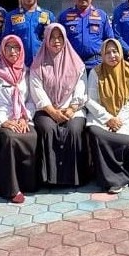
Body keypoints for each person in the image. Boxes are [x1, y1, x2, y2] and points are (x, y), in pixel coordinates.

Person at [0, 35, 39, 203]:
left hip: (20, 118)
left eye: (17, 48)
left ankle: (27, 183)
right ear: (3, 50)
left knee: (32, 135)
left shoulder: (25, 71)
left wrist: (24, 118)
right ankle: (9, 188)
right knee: (9, 138)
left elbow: (31, 100)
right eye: (9, 47)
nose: (13, 51)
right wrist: (4, 121)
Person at [85, 39, 129, 194]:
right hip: (101, 117)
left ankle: (121, 176)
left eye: (115, 51)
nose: (112, 55)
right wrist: (108, 118)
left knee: (124, 140)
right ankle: (109, 179)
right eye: (108, 52)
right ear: (102, 55)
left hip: (125, 116)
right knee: (97, 134)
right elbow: (90, 100)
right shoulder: (96, 72)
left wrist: (119, 118)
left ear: (120, 52)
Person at [30, 24, 88, 186]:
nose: (56, 41)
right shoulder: (37, 64)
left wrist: (72, 107)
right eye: (52, 37)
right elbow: (37, 90)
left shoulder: (76, 63)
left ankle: (74, 177)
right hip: (46, 109)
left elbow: (81, 87)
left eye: (60, 37)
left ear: (65, 39)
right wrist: (52, 112)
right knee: (48, 129)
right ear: (46, 40)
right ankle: (50, 178)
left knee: (74, 129)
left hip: (72, 107)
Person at [58, 0, 114, 71]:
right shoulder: (64, 16)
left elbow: (110, 40)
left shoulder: (102, 15)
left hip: (96, 63)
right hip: (72, 64)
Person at [3, 0, 55, 66]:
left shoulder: (48, 15)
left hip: (42, 65)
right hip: (19, 66)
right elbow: (6, 43)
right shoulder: (10, 17)